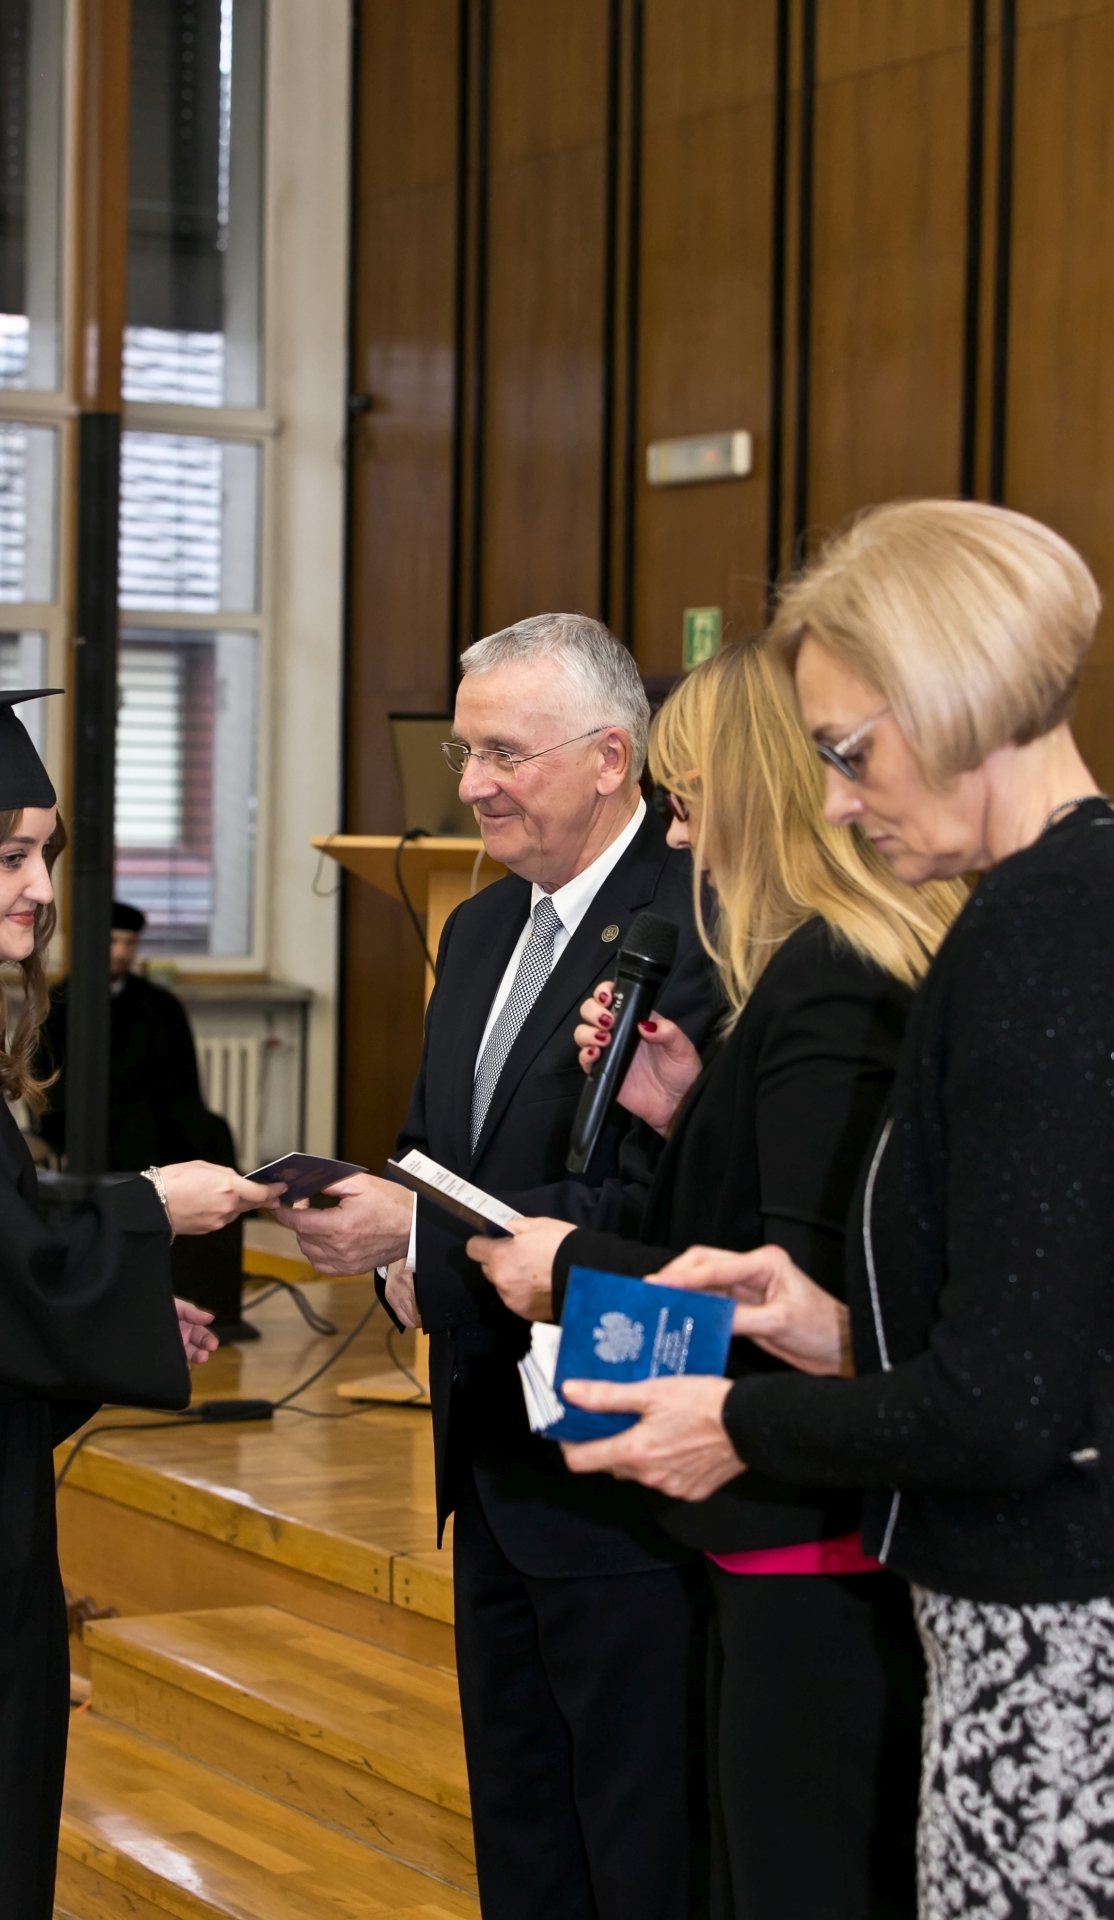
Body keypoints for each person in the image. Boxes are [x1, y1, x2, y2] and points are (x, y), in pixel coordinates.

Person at [558, 500, 1114, 1920]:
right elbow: (1061, 1330)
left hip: (1055, 1638)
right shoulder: (1073, 896)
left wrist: (735, 1421)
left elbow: (1005, 1410)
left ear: (950, 696)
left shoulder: (1036, 932)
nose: (842, 802)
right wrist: (833, 1328)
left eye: (849, 752)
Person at [470, 638, 962, 1919]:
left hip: (804, 1524)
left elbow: (793, 1285)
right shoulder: (820, 967)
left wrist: (567, 1266)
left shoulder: (824, 973)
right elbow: (803, 1208)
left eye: (689, 803)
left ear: (757, 796)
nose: (679, 840)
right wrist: (682, 1106)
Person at [276, 614, 716, 1920]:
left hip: (623, 1474)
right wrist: (395, 1245)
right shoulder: (476, 931)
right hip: (485, 1451)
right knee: (523, 1838)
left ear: (611, 758)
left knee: (639, 1846)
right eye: (463, 752)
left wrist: (419, 1244)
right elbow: (438, 1152)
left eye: (503, 754)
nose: (470, 785)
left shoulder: (695, 924)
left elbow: (654, 1202)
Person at [0, 690, 283, 1920]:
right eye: (11, 857)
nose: (40, 888)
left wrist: (125, 1299)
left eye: (47, 855)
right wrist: (149, 1208)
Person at [37, 899, 255, 1340]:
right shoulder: (57, 1005)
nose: (121, 952)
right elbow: (45, 1081)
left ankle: (213, 1289)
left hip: (156, 1113)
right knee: (135, 1133)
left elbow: (183, 1083)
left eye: (129, 942)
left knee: (212, 1133)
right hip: (84, 1121)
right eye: (112, 941)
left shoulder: (159, 1004)